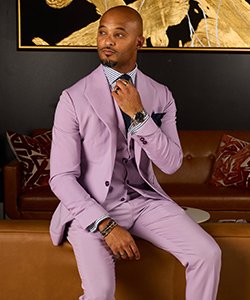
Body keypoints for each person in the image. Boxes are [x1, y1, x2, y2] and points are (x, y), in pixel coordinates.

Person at [49, 5, 221, 300]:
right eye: (102, 32)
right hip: (93, 208)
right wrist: (106, 225)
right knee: (100, 293)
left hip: (144, 201)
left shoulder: (160, 94)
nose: (107, 41)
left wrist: (139, 116)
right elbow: (62, 177)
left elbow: (170, 163)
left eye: (118, 34)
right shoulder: (73, 98)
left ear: (139, 41)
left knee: (208, 254)